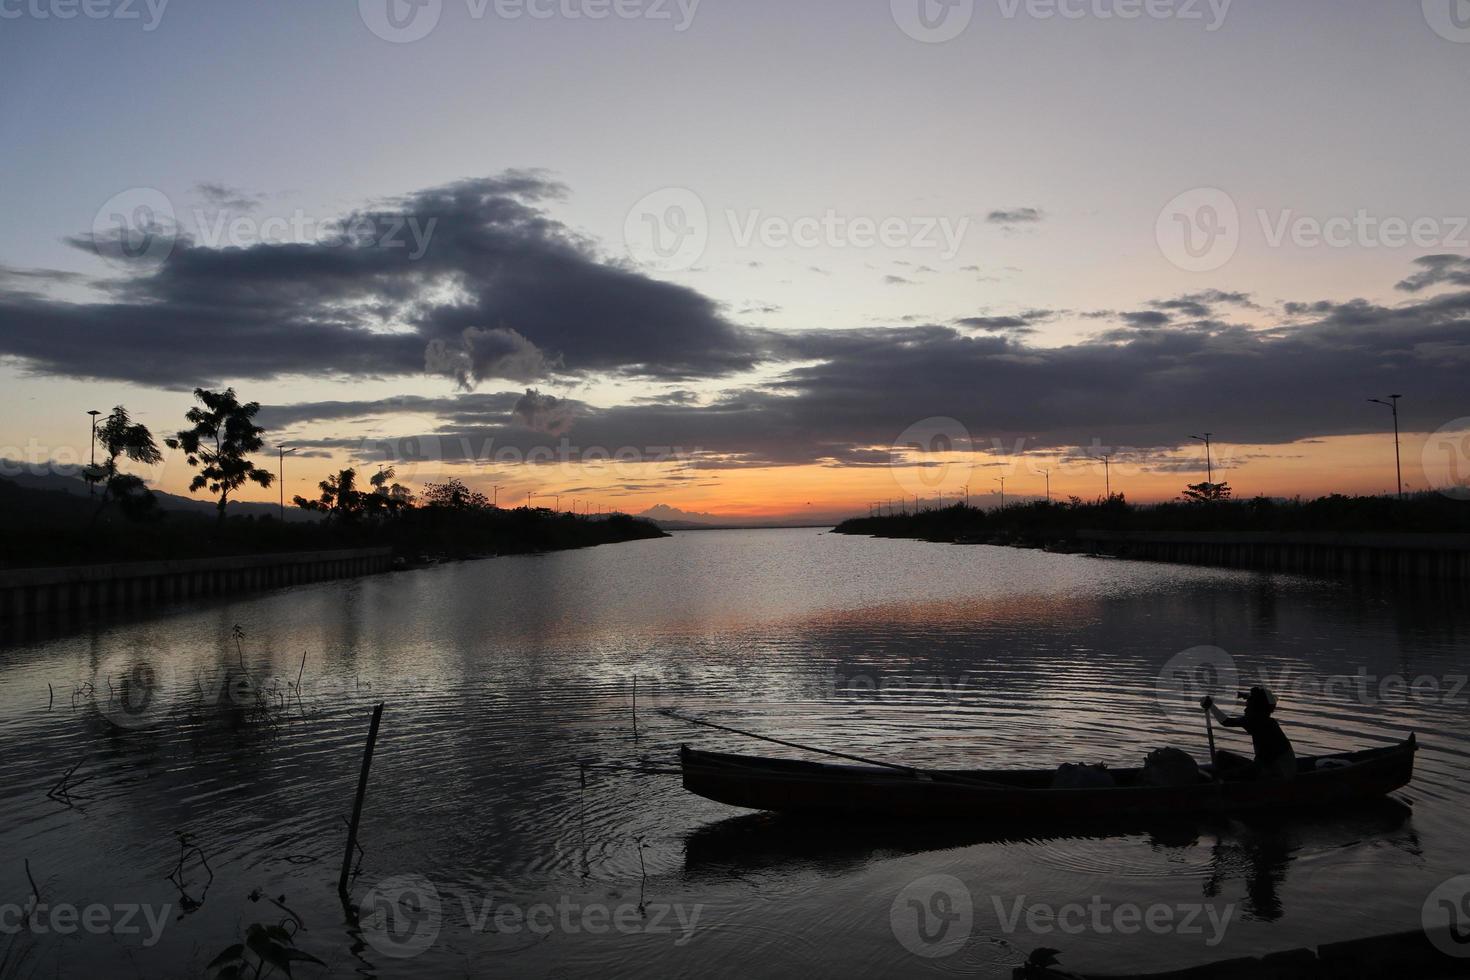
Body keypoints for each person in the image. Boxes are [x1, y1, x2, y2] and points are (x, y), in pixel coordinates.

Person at [1201, 687, 1297, 781]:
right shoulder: (1260, 718)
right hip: (1267, 767)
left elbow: (1226, 722)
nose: (1245, 710)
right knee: (1221, 756)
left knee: (1228, 775)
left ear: (1257, 709)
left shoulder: (1263, 727)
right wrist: (1246, 696)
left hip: (1279, 775)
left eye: (1248, 706)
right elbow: (1226, 721)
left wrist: (1229, 774)